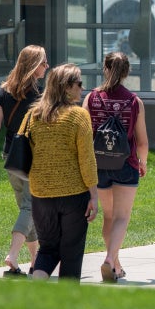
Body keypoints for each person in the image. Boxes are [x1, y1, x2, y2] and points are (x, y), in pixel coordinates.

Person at [0, 45, 49, 276]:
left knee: (25, 209)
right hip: (33, 157)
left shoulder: (2, 91)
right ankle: (13, 255)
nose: (47, 67)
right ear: (33, 65)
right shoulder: (39, 95)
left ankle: (34, 261)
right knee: (30, 207)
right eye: (43, 63)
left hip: (10, 156)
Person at [26, 64, 99, 281]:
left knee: (47, 249)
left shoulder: (34, 115)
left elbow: (25, 150)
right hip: (73, 194)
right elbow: (87, 159)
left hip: (41, 194)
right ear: (67, 87)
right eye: (79, 84)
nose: (82, 88)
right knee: (71, 253)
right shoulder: (78, 116)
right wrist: (94, 195)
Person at [83, 52, 149, 282]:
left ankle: (116, 264)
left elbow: (83, 135)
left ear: (105, 68)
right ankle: (110, 260)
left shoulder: (91, 98)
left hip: (98, 165)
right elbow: (141, 141)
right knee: (122, 217)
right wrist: (143, 162)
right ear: (126, 72)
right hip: (125, 164)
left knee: (109, 217)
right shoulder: (134, 102)